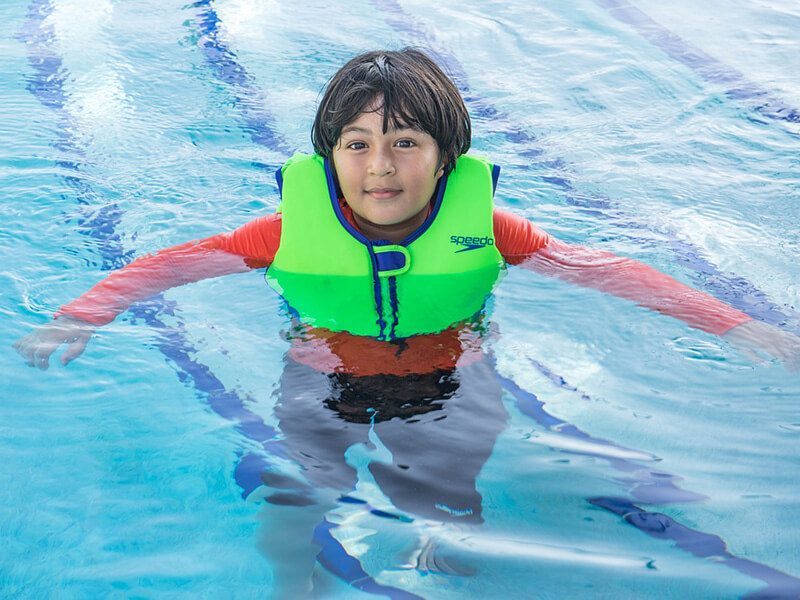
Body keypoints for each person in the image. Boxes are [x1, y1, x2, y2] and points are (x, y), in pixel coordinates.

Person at [13, 48, 800, 594]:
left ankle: (440, 547)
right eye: (356, 145)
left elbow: (609, 271)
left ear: (447, 157)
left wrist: (731, 324)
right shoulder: (285, 232)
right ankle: (296, 578)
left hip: (452, 379)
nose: (379, 165)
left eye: (404, 142)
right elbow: (174, 264)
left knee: (449, 490)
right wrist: (85, 316)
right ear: (328, 158)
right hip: (322, 378)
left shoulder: (491, 228)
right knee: (303, 491)